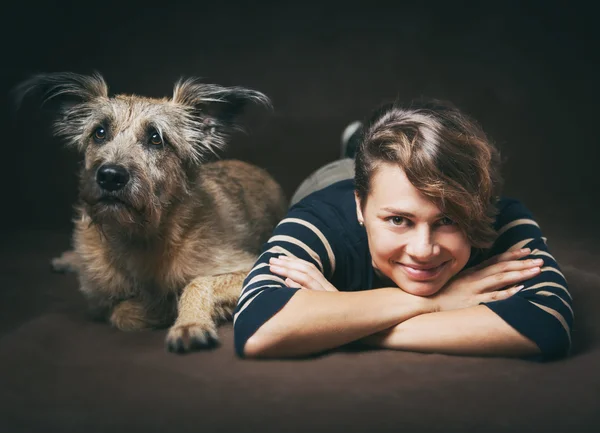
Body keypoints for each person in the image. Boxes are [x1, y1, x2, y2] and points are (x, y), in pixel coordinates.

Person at [232, 99, 573, 361]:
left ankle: (361, 151)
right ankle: (353, 151)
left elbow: (547, 324)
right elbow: (258, 329)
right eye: (398, 220)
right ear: (360, 208)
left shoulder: (500, 218)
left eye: (448, 220)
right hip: (332, 181)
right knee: (350, 168)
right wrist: (439, 303)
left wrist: (344, 319)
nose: (423, 250)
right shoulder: (322, 218)